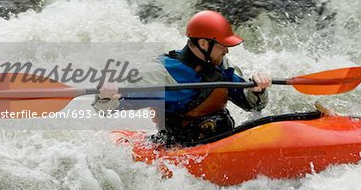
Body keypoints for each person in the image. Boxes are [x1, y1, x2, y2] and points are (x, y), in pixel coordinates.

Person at [92, 10, 271, 145]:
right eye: (223, 45)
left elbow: (252, 105)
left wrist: (257, 90)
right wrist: (106, 95)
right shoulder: (163, 72)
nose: (227, 50)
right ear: (203, 44)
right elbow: (108, 107)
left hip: (221, 140)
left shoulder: (221, 65)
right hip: (181, 151)